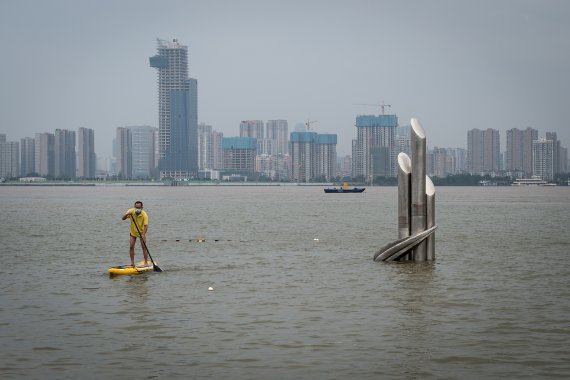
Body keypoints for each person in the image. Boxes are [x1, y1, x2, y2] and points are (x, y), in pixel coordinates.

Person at [122, 200, 150, 267]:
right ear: (134, 207)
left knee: (143, 247)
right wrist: (127, 214)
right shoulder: (131, 211)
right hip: (133, 232)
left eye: (139, 208)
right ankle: (132, 263)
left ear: (142, 207)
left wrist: (143, 234)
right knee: (131, 246)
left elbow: (146, 226)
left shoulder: (144, 215)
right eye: (136, 207)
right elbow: (123, 218)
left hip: (141, 232)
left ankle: (146, 262)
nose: (137, 209)